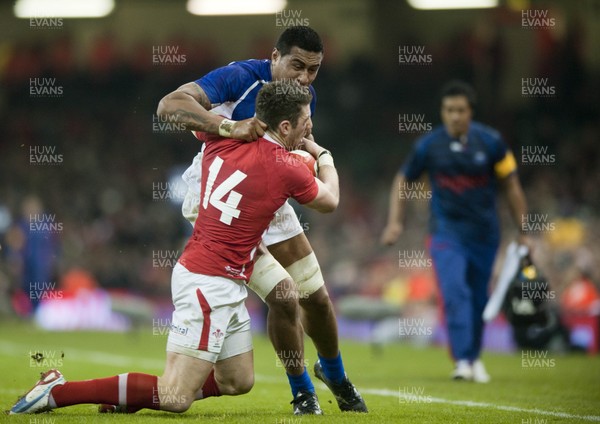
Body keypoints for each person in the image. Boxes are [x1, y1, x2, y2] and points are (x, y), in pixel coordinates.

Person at [10, 81, 338, 416]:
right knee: (174, 396)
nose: (309, 127)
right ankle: (57, 391)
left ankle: (131, 395)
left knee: (238, 379)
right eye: (305, 120)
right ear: (285, 126)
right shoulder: (286, 167)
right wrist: (323, 155)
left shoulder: (220, 137)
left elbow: (183, 110)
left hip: (218, 274)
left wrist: (225, 111)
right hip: (209, 284)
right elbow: (331, 200)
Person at [157, 25, 367, 412]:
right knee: (285, 297)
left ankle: (334, 374)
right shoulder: (240, 77)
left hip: (265, 195)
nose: (304, 78)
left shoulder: (304, 97)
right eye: (297, 65)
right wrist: (228, 126)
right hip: (222, 198)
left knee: (316, 297)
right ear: (274, 58)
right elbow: (169, 105)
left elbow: (288, 150)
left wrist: (305, 154)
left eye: (314, 69)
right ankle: (302, 391)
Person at [381, 80, 532, 382]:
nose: (454, 116)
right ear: (442, 111)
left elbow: (512, 185)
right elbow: (403, 179)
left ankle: (473, 358)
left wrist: (524, 230)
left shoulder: (492, 143)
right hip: (445, 233)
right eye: (449, 110)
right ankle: (462, 359)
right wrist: (395, 222)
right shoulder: (428, 145)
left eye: (460, 110)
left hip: (485, 235)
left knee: (478, 298)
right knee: (455, 292)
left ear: (471, 112)